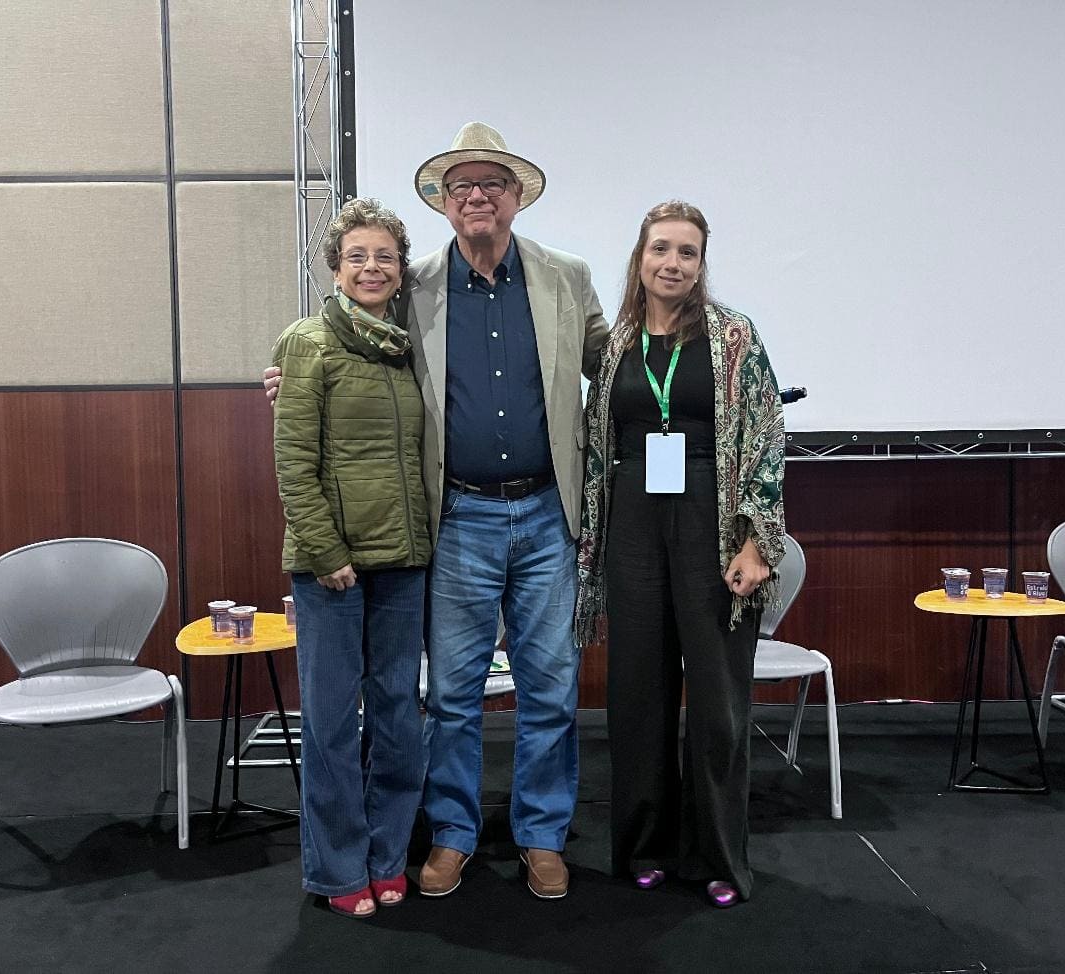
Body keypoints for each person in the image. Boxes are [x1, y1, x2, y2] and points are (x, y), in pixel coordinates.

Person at [266, 122, 609, 900]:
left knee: (549, 689)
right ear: (443, 205)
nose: (477, 195)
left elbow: (614, 366)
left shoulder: (566, 278)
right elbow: (344, 353)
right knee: (450, 695)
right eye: (461, 186)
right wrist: (289, 376)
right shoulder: (412, 284)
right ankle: (452, 832)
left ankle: (541, 834)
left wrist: (701, 353)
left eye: (492, 183)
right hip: (456, 520)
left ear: (517, 197)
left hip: (549, 519)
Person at [574, 200, 786, 909]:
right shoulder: (615, 346)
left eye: (686, 252)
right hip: (632, 524)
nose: (672, 263)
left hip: (712, 526)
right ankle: (642, 847)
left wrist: (758, 543)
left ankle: (718, 856)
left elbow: (765, 435)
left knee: (719, 704)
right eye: (660, 248)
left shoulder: (732, 337)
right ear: (639, 256)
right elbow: (593, 443)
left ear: (701, 263)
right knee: (638, 695)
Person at [271, 197, 430, 918]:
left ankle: (387, 856)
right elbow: (293, 461)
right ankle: (337, 869)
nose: (372, 268)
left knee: (399, 716)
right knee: (333, 723)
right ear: (334, 267)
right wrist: (326, 549)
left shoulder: (408, 346)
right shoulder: (307, 343)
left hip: (404, 561)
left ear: (401, 272)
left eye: (385, 257)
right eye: (357, 256)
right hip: (329, 567)